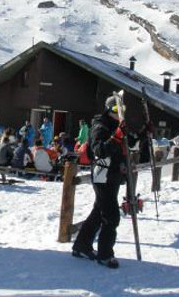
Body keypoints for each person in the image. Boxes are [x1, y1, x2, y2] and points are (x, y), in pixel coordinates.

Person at [71, 95, 128, 269]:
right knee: (111, 215)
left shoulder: (115, 125)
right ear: (109, 109)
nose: (120, 113)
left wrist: (142, 133)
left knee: (99, 212)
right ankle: (105, 254)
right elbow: (99, 150)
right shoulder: (100, 125)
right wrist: (116, 138)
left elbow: (128, 141)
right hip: (102, 173)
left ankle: (81, 245)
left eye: (122, 110)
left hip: (113, 174)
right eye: (117, 110)